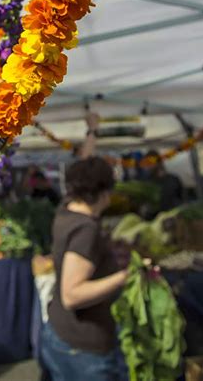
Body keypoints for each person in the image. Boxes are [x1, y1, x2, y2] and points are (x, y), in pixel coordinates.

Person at [41, 157, 128, 381]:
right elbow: (71, 295)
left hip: (59, 332)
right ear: (104, 192)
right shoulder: (86, 230)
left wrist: (92, 130)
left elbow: (83, 165)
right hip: (83, 347)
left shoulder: (67, 209)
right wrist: (123, 277)